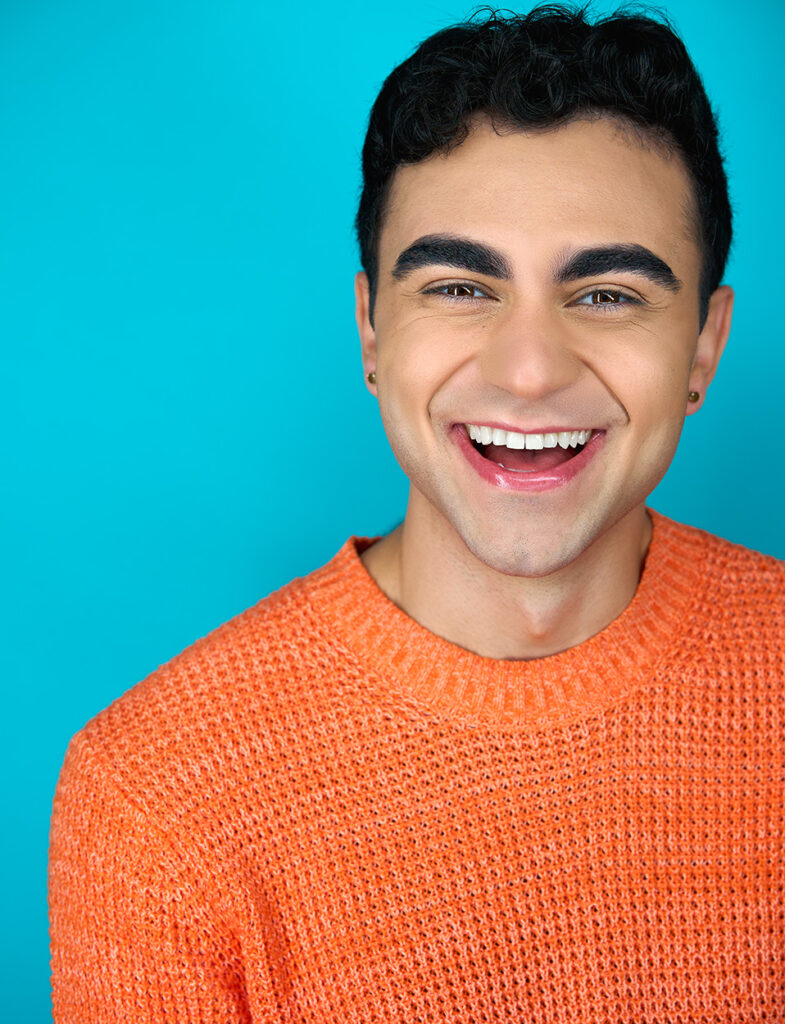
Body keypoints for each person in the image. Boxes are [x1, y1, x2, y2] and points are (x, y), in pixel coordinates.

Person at [49, 6, 784, 1022]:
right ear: (369, 332)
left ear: (702, 347)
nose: (528, 372)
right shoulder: (154, 796)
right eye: (458, 286)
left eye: (608, 295)